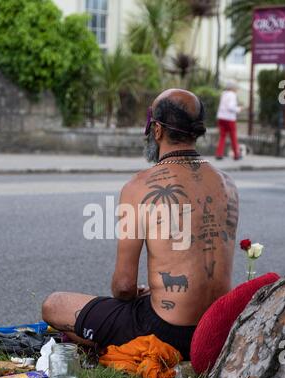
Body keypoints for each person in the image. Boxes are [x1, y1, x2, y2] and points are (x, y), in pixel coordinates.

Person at [42, 89, 239, 361]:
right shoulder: (227, 184)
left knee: (54, 305)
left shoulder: (140, 186)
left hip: (166, 330)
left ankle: (127, 349)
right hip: (217, 328)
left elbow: (123, 287)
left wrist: (137, 293)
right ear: (196, 132)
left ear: (156, 130)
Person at [216, 80, 242, 160]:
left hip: (221, 117)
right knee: (233, 136)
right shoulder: (232, 95)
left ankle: (219, 154)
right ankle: (236, 154)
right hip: (230, 118)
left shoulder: (223, 94)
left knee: (222, 136)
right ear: (233, 87)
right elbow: (231, 107)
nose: (236, 89)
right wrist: (238, 109)